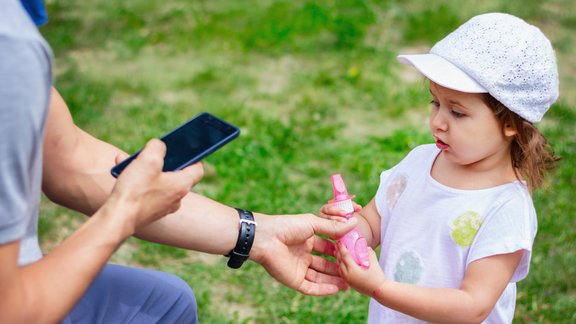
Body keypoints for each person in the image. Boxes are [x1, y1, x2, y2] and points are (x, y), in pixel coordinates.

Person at [0, 1, 357, 323]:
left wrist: (255, 235)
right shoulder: (10, 47)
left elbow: (69, 161)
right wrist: (123, 214)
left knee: (163, 302)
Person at [319, 13, 560, 323]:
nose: (437, 122)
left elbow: (473, 306)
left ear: (510, 123)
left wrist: (380, 288)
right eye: (435, 103)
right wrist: (350, 231)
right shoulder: (419, 162)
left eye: (457, 112)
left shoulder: (505, 207)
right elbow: (374, 221)